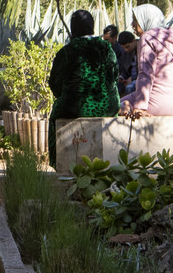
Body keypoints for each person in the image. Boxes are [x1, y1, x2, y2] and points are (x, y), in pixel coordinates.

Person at [47, 9, 120, 163]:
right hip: (108, 106)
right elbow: (114, 75)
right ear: (92, 27)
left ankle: (56, 161)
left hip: (74, 106)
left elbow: (55, 83)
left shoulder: (67, 51)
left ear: (73, 28)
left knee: (54, 116)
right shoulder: (107, 48)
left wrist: (65, 95)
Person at [120, 4, 173, 117]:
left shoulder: (147, 38)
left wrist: (140, 107)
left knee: (116, 106)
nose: (132, 24)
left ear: (146, 19)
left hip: (157, 105)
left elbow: (145, 74)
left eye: (136, 20)